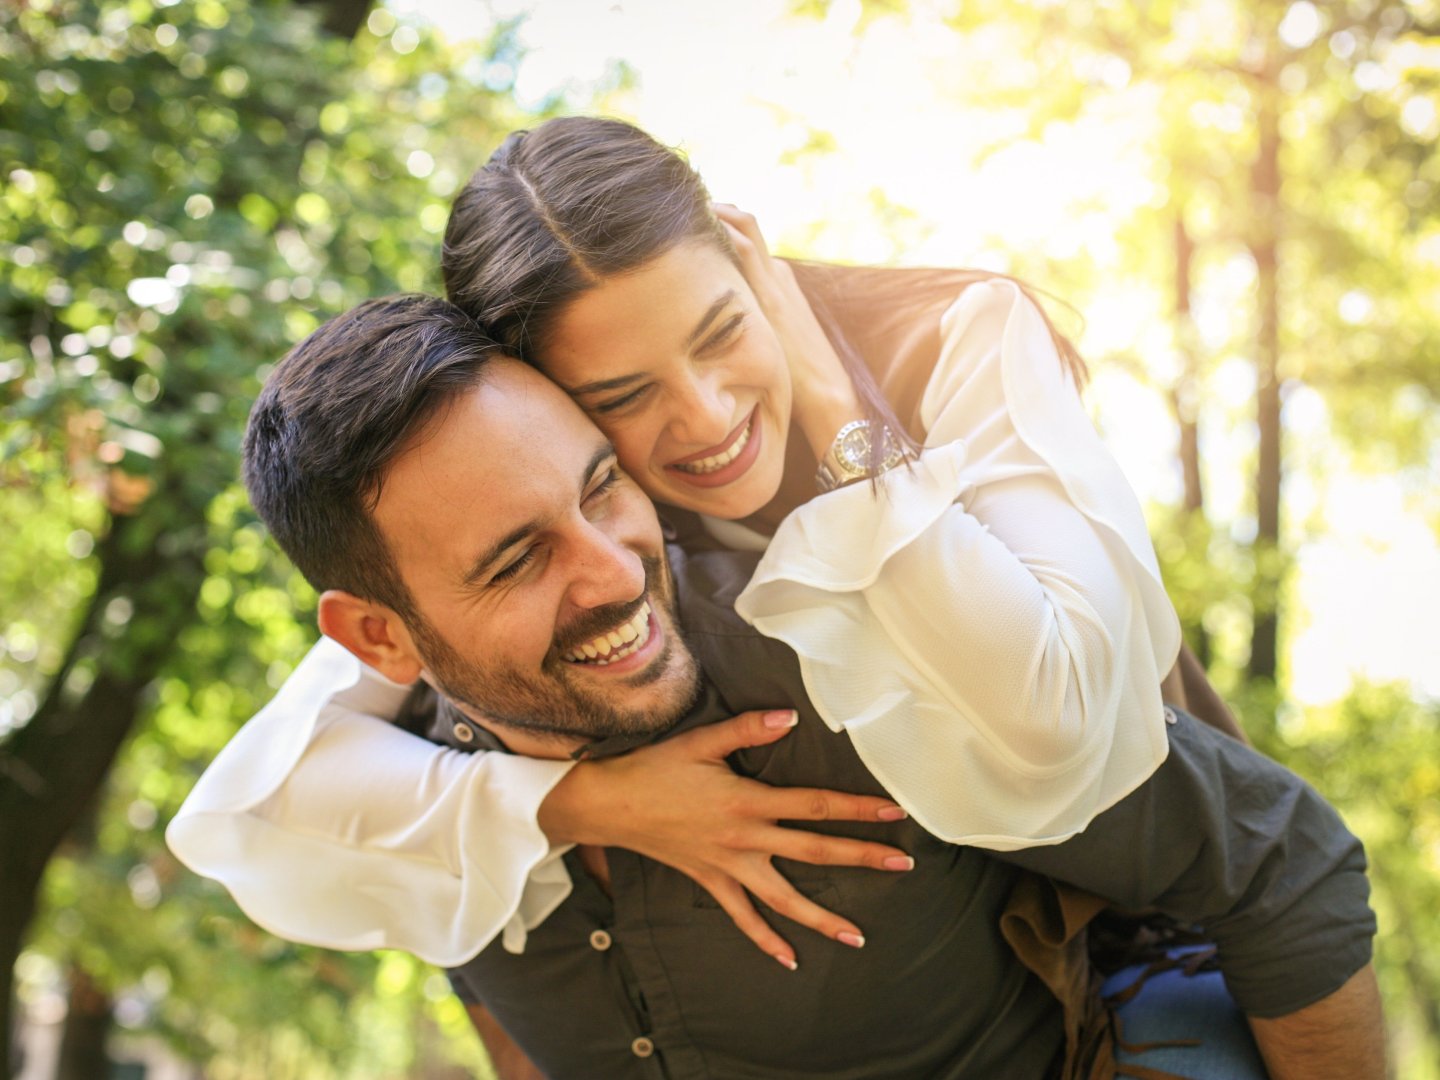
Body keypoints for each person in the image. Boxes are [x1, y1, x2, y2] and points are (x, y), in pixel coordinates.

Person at [187, 293, 1382, 1078]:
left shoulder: (852, 657)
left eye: (602, 486)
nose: (615, 573)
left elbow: (1281, 861)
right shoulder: (395, 809)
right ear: (379, 638)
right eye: (514, 559)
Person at [169, 115, 1241, 971]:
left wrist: (832, 402)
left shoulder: (954, 340)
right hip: (1010, 958)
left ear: (752, 264)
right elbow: (258, 794)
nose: (706, 419)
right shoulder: (580, 512)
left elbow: (1052, 718)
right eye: (621, 395)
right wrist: (584, 803)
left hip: (1203, 907)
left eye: (725, 331)